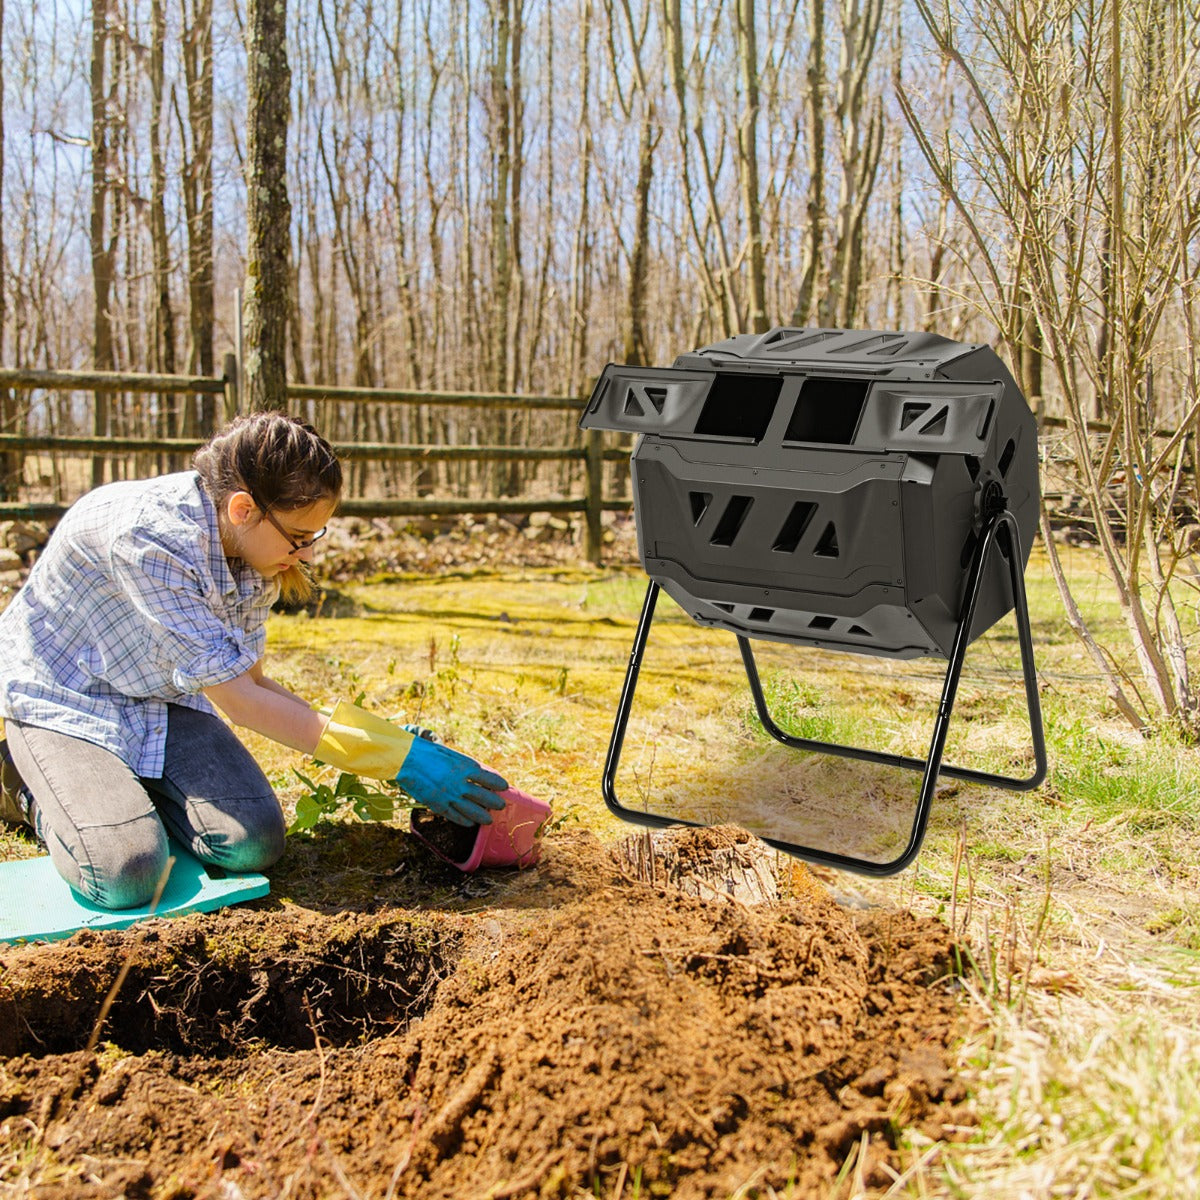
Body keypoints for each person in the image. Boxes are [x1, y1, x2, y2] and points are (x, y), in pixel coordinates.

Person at [0, 411, 506, 910]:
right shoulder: (150, 541)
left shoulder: (250, 553)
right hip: (66, 699)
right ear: (243, 508)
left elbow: (253, 682)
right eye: (300, 538)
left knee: (253, 843)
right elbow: (241, 703)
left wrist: (384, 741)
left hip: (159, 696)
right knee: (126, 873)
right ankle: (22, 785)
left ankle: (116, 797)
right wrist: (392, 761)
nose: (307, 555)